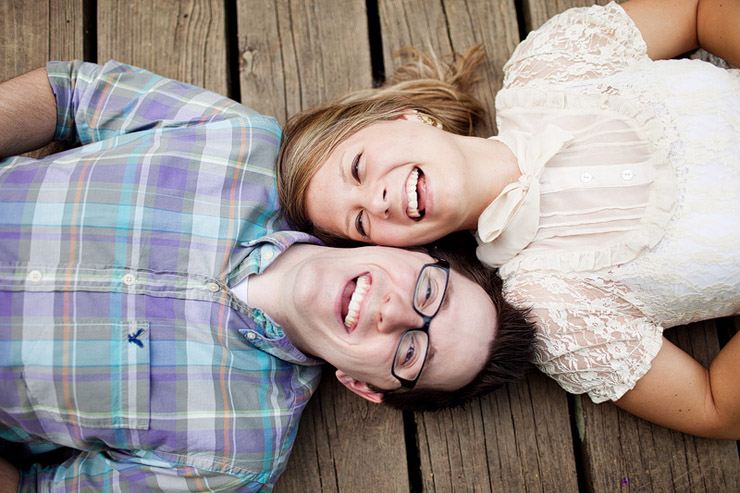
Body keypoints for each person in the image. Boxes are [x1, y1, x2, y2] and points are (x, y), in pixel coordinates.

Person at [0, 60, 535, 491]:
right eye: (428, 290)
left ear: (364, 387)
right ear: (410, 249)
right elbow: (72, 93)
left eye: (411, 353)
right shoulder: (239, 143)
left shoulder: (232, 456)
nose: (394, 313)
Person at [277, 0, 740, 439]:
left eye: (357, 167)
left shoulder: (550, 63)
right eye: (360, 223)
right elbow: (714, 408)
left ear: (408, 118)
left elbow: (699, 11)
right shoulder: (551, 304)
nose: (375, 201)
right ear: (396, 252)